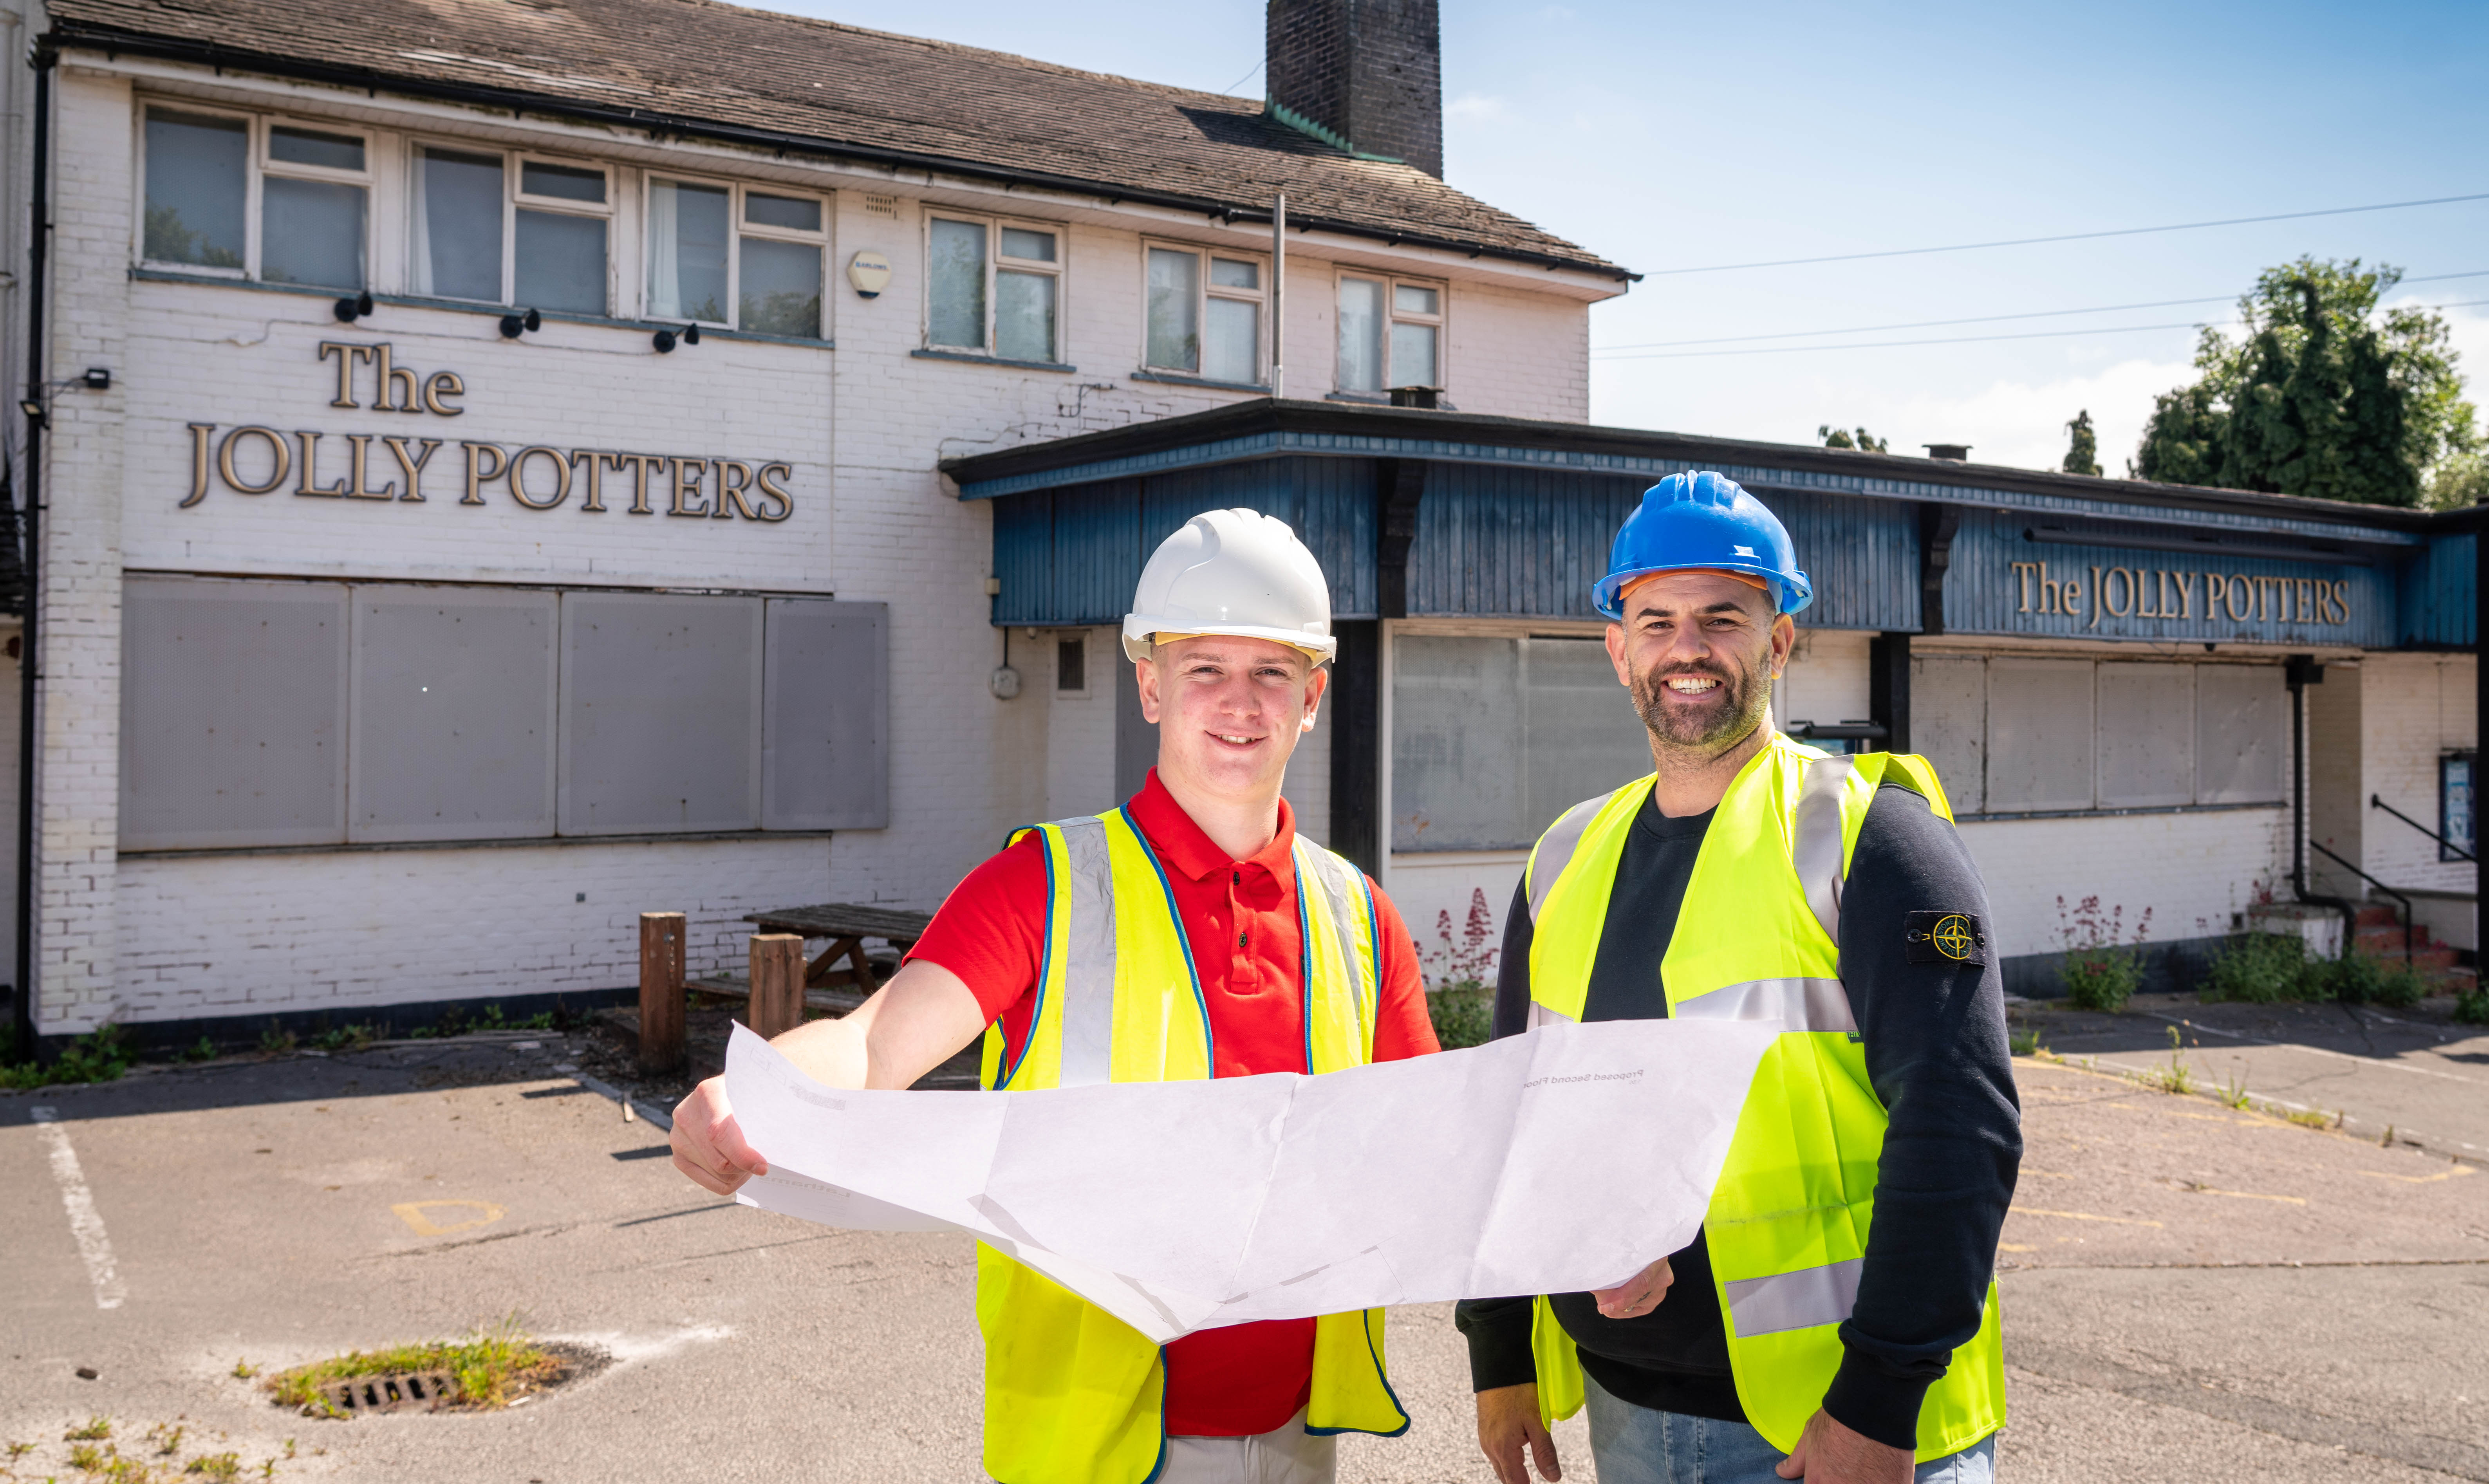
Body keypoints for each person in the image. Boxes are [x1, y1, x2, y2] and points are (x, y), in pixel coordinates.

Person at [671, 507, 1438, 1484]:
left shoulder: (1359, 914)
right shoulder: (1042, 885)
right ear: (1150, 685)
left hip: (1298, 1439)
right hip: (1092, 1452)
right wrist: (756, 1092)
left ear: (1313, 694)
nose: (1240, 701)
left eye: (1272, 671)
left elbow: (1438, 1148)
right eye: (1205, 667)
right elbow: (874, 1042)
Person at [1456, 471, 2018, 1484]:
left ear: (1779, 640)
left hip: (1835, 1428)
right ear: (1618, 649)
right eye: (1656, 620)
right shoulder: (1565, 857)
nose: (1688, 647)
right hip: (1628, 1414)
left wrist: (1876, 1402)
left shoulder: (1870, 836)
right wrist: (1498, 1349)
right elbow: (1515, 1114)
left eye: (1723, 617)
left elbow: (1959, 1126)